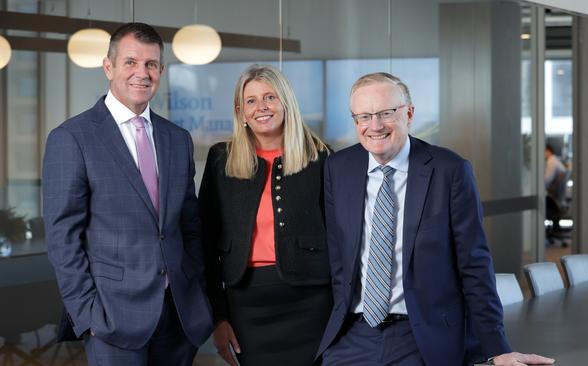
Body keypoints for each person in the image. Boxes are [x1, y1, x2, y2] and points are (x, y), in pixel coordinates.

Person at [316, 72, 555, 366]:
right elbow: (337, 258)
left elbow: (474, 264)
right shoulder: (338, 168)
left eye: (386, 113)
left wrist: (497, 346)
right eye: (364, 116)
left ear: (409, 113)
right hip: (354, 333)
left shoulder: (449, 170)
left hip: (420, 334)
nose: (374, 126)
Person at [43, 23, 213, 366]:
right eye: (131, 62)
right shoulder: (72, 138)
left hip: (178, 313)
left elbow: (189, 223)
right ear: (109, 67)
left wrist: (194, 283)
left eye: (151, 64)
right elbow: (63, 237)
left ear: (161, 71)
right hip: (112, 318)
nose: (142, 73)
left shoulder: (177, 138)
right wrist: (88, 314)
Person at [199, 64, 332, 366]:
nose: (262, 107)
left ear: (286, 102)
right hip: (246, 302)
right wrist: (218, 317)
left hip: (311, 302)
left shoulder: (320, 157)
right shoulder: (222, 159)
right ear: (240, 111)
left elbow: (341, 237)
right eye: (251, 100)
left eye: (270, 97)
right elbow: (205, 242)